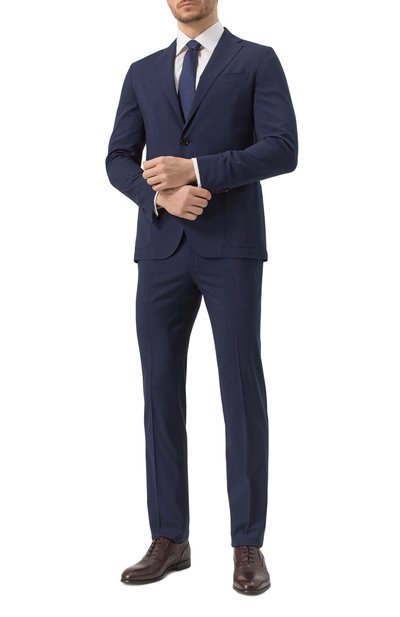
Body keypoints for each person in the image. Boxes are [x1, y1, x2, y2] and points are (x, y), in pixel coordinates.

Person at [106, 0, 297, 595]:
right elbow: (117, 157)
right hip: (161, 251)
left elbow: (283, 148)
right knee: (159, 392)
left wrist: (197, 170)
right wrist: (157, 197)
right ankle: (170, 538)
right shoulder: (142, 71)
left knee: (240, 389)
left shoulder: (256, 60)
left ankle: (247, 544)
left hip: (231, 248)